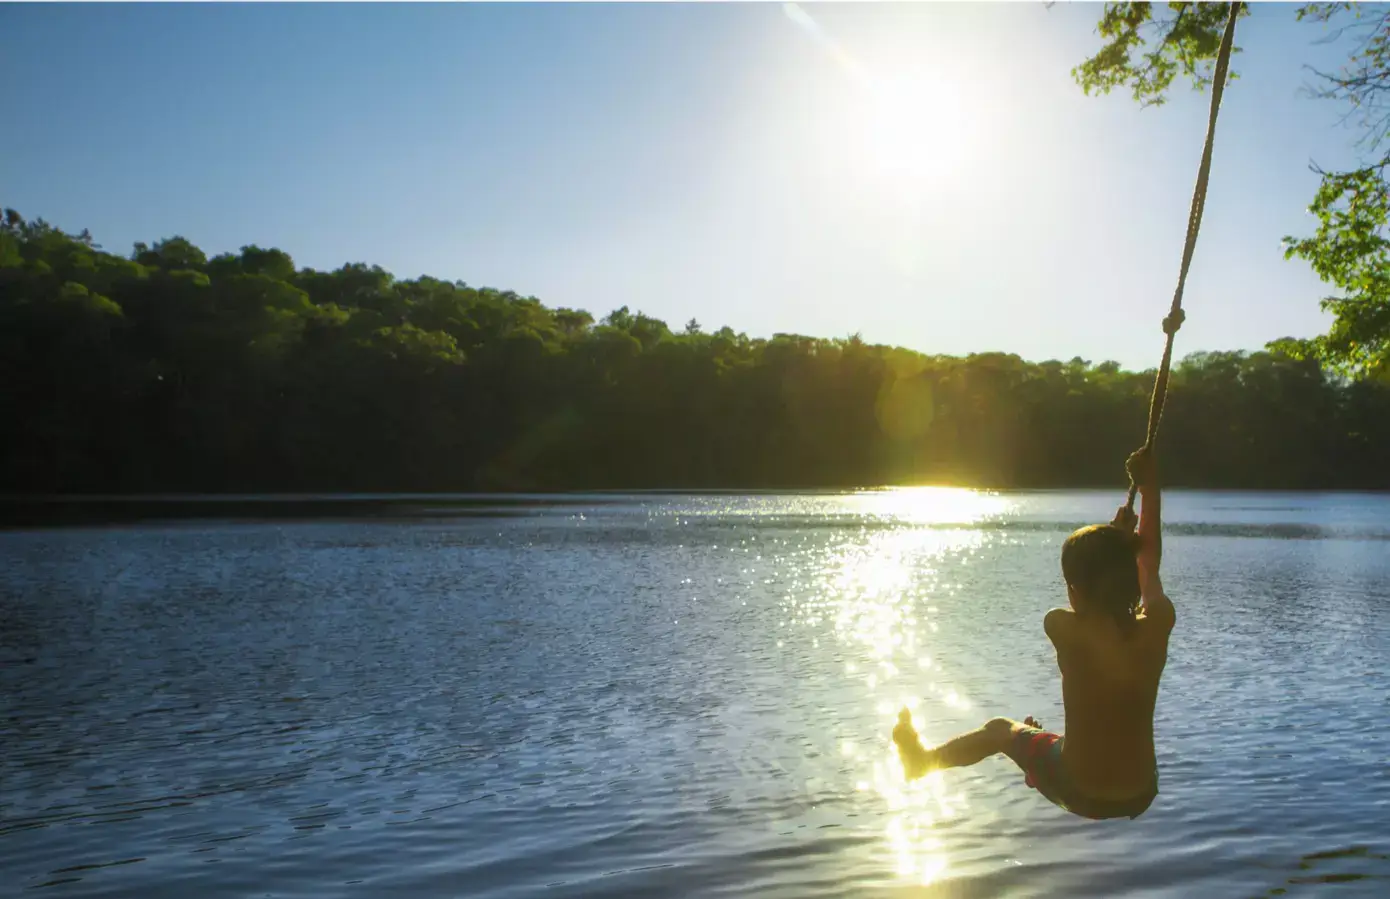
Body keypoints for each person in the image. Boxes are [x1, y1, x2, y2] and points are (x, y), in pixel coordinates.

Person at [892, 447, 1174, 820]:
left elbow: (1099, 600)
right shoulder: (1157, 624)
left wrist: (1117, 540)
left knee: (1001, 732)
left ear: (1074, 589)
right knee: (1056, 739)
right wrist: (1150, 492)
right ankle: (1036, 755)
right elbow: (1148, 563)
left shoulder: (1061, 627)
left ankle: (922, 762)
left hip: (1077, 788)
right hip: (1139, 793)